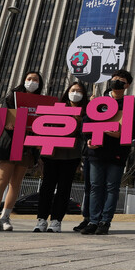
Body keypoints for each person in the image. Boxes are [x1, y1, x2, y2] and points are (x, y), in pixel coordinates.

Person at [81, 69, 135, 235]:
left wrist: (122, 133)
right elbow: (86, 122)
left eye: (121, 79)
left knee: (111, 187)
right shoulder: (99, 101)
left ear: (127, 85)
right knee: (95, 187)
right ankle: (93, 221)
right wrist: (88, 139)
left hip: (118, 152)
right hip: (96, 151)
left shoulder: (130, 105)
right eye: (115, 78)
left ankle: (105, 221)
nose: (117, 81)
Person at [0, 70, 44, 231]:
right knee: (2, 180)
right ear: (23, 80)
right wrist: (8, 123)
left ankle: (5, 217)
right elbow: (4, 118)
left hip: (27, 146)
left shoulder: (41, 102)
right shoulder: (11, 98)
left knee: (16, 183)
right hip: (10, 143)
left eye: (36, 80)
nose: (32, 82)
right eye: (29, 78)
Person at [34, 81, 88, 233]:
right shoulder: (58, 108)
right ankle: (41, 219)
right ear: (67, 92)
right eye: (73, 90)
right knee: (47, 187)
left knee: (64, 188)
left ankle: (56, 220)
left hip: (71, 155)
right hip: (51, 152)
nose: (75, 93)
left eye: (79, 91)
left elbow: (85, 134)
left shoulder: (86, 112)